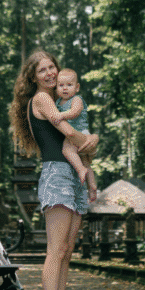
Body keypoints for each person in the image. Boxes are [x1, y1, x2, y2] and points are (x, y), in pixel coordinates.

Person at [9, 50, 99, 290]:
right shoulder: (42, 99)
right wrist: (92, 139)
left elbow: (79, 144)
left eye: (52, 67)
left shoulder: (62, 99)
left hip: (72, 176)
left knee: (67, 251)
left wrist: (88, 145)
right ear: (33, 78)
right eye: (42, 70)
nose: (49, 73)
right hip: (57, 176)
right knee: (55, 250)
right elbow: (69, 132)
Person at [56, 68, 98, 202]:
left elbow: (75, 112)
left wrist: (61, 115)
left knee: (67, 150)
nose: (65, 88)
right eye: (61, 85)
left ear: (77, 87)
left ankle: (80, 170)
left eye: (69, 85)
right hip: (75, 135)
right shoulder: (57, 103)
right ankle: (92, 187)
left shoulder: (77, 99)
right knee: (86, 162)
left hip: (80, 133)